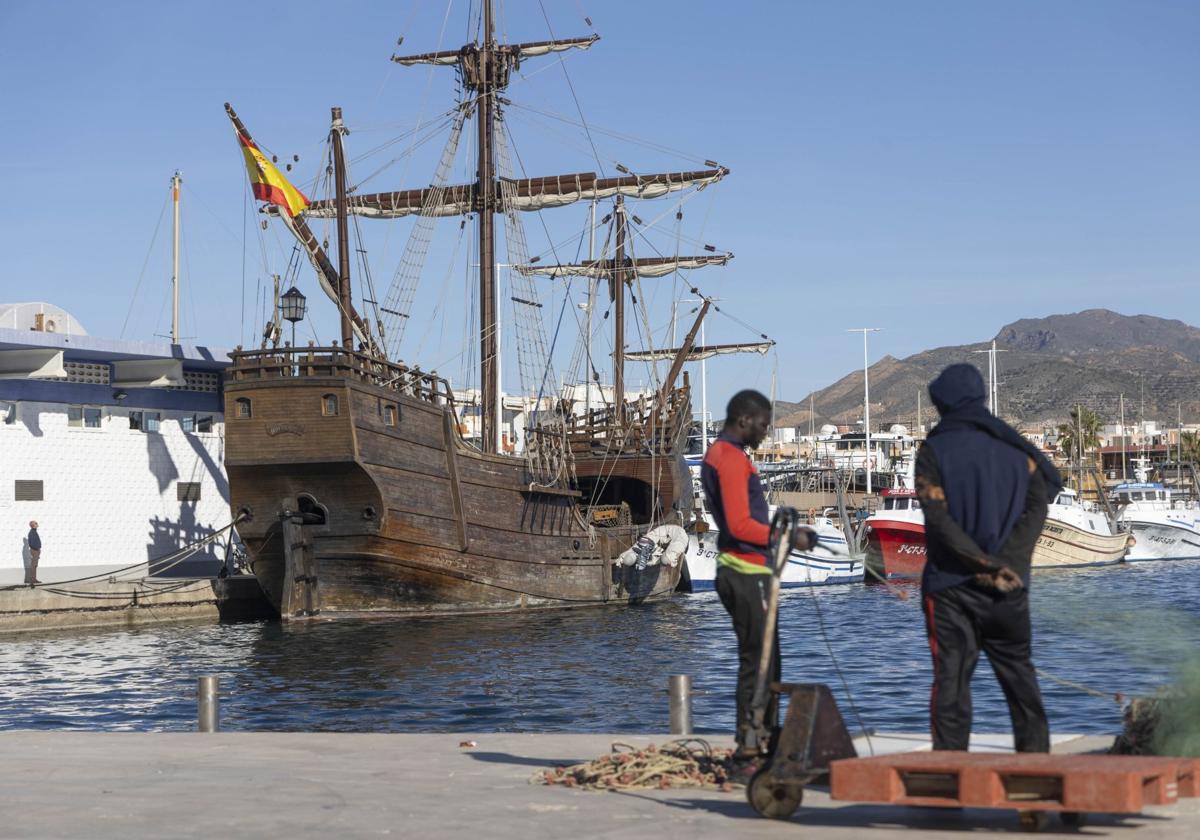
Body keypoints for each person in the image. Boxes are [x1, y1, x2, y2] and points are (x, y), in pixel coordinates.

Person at [916, 364, 1062, 753]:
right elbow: (1037, 509)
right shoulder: (1020, 452)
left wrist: (981, 564)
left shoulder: (933, 451)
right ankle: (1036, 771)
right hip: (1009, 587)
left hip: (950, 588)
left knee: (951, 681)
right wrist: (1007, 563)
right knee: (1020, 681)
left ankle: (949, 774)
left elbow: (939, 520)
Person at [701, 389, 816, 775]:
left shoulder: (725, 454)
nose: (766, 433)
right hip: (744, 572)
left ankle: (763, 736)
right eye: (765, 425)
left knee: (769, 661)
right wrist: (789, 537)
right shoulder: (729, 458)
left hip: (750, 571)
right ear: (745, 420)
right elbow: (738, 525)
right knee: (758, 663)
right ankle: (749, 747)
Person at [26, 520, 41, 586]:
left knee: (35, 565)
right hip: (34, 550)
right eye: (36, 523)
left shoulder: (34, 532)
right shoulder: (32, 532)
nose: (37, 524)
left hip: (36, 550)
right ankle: (31, 581)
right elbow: (31, 543)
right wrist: (37, 548)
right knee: (33, 565)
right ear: (33, 525)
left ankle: (34, 579)